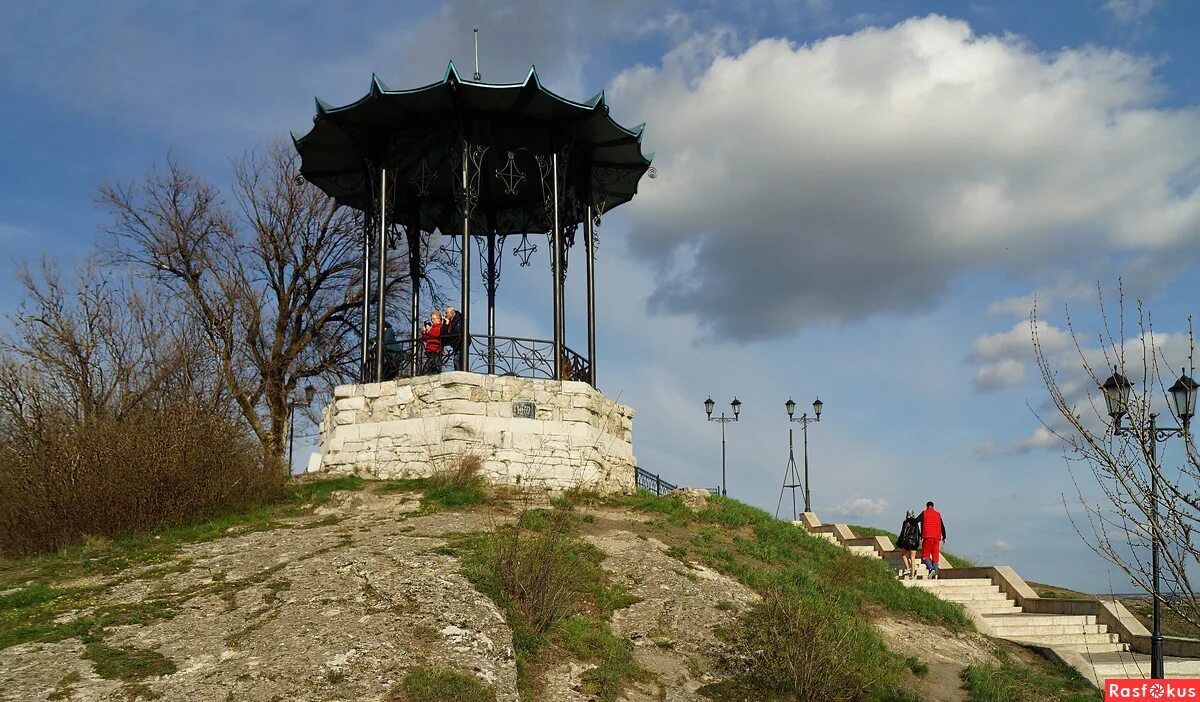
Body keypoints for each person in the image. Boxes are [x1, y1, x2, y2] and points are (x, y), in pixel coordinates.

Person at [916, 501, 947, 579]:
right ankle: (935, 575)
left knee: (925, 556)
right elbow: (942, 526)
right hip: (937, 538)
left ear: (927, 506)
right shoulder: (938, 514)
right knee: (935, 558)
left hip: (927, 537)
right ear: (933, 506)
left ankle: (930, 568)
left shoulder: (924, 513)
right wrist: (944, 537)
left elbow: (916, 521)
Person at [896, 510, 921, 579]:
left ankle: (907, 569)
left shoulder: (905, 522)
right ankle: (912, 575)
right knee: (913, 558)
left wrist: (899, 542)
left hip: (907, 542)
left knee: (903, 554)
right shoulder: (916, 523)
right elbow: (918, 533)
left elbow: (903, 533)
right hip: (914, 542)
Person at [441, 306, 462, 371]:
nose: (445, 315)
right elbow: (442, 334)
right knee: (456, 359)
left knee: (457, 359)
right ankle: (458, 372)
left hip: (460, 343)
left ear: (452, 313)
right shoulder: (449, 321)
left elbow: (457, 332)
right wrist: (445, 324)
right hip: (455, 344)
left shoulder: (459, 320)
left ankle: (459, 374)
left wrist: (448, 336)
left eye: (447, 313)